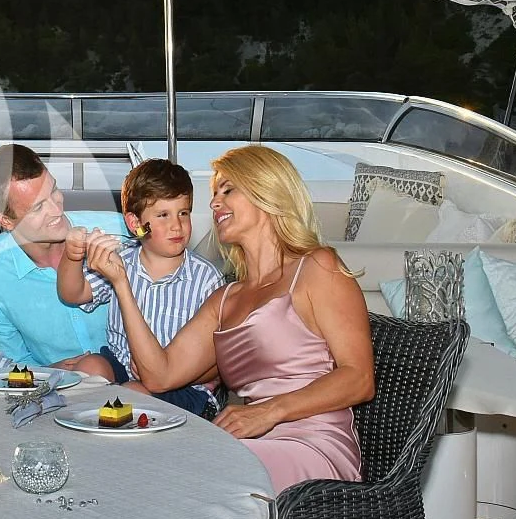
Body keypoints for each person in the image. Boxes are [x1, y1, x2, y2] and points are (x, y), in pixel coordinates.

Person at [114, 145, 374, 491]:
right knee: (152, 464)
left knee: (187, 475)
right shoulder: (224, 300)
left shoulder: (317, 267)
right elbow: (159, 375)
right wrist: (121, 283)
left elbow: (359, 378)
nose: (214, 203)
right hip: (248, 444)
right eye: (214, 193)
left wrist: (269, 412)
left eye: (228, 190)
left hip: (312, 446)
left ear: (266, 191)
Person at [57, 159, 225, 419]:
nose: (176, 225)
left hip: (183, 385)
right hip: (123, 366)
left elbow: (219, 356)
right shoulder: (121, 261)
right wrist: (71, 256)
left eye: (184, 212)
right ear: (135, 224)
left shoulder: (206, 279)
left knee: (133, 393)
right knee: (90, 367)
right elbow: (72, 294)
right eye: (163, 215)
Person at [0, 144, 128, 368]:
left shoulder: (121, 233)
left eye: (53, 191)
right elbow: (11, 365)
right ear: (5, 220)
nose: (56, 210)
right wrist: (53, 373)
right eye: (38, 207)